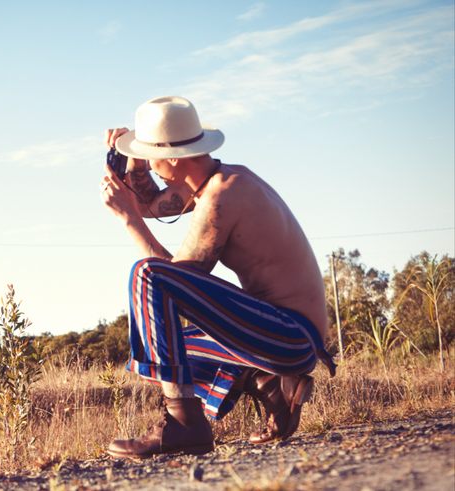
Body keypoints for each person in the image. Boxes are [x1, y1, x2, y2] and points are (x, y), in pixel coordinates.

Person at [99, 96, 335, 458]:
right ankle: (269, 383)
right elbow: (150, 204)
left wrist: (128, 221)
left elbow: (170, 283)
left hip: (291, 337)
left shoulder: (221, 197)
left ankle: (185, 423)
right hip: (278, 331)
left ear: (173, 158)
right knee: (151, 352)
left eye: (150, 154)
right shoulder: (218, 179)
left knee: (147, 276)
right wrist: (132, 168)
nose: (147, 161)